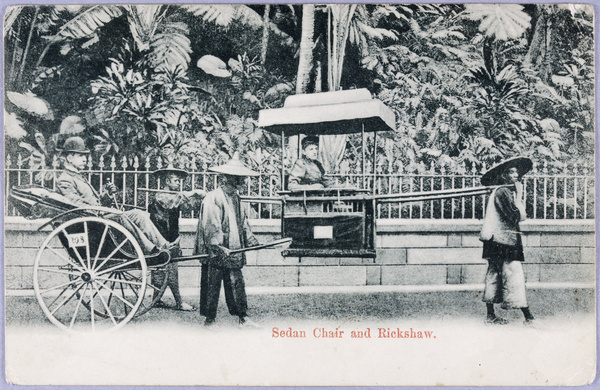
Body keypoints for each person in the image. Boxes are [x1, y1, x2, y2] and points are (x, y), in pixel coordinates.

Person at [55, 136, 177, 256]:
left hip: (99, 217)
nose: (85, 159)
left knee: (138, 214)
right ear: (69, 158)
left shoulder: (78, 176)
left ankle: (165, 246)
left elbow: (96, 202)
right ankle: (151, 250)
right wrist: (100, 211)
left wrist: (107, 194)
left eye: (85, 156)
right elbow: (76, 205)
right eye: (80, 155)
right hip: (90, 222)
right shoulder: (65, 180)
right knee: (120, 216)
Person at [194, 152, 261, 328]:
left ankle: (243, 318)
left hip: (234, 249)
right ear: (227, 179)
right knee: (212, 283)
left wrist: (251, 240)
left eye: (241, 179)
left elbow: (242, 223)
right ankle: (209, 320)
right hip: (216, 250)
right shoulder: (213, 197)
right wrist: (217, 246)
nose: (242, 182)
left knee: (236, 282)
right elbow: (211, 224)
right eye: (238, 179)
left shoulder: (236, 198)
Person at [479, 157, 536, 326]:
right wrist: (519, 196)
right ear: (503, 175)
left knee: (494, 275)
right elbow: (514, 216)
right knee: (514, 276)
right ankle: (529, 318)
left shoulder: (498, 191)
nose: (516, 174)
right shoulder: (503, 192)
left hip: (494, 241)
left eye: (516, 171)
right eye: (511, 171)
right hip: (505, 242)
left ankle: (490, 316)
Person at [149, 166, 206, 311]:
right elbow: (173, 201)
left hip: (172, 237)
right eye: (175, 180)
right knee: (167, 270)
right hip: (160, 239)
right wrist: (193, 192)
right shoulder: (161, 196)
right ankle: (179, 302)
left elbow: (187, 205)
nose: (178, 183)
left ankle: (156, 299)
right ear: (167, 181)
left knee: (163, 269)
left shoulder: (175, 196)